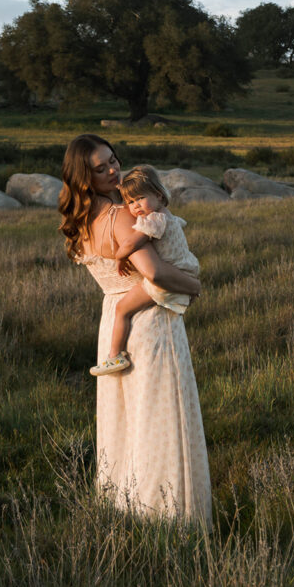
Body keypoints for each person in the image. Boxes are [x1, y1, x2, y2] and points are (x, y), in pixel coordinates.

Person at [59, 135, 212, 523]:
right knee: (161, 417)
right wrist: (194, 285)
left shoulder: (82, 221)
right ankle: (171, 516)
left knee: (127, 419)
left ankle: (128, 509)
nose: (113, 170)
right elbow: (155, 271)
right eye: (100, 167)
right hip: (150, 321)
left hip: (114, 317)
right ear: (84, 177)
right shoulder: (121, 216)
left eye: (113, 160)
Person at [90, 165, 200, 377]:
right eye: (130, 202)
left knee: (122, 309)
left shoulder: (154, 220)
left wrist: (120, 257)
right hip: (184, 270)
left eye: (140, 198)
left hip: (165, 278)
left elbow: (132, 243)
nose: (135, 206)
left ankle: (114, 355)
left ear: (158, 195)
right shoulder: (167, 215)